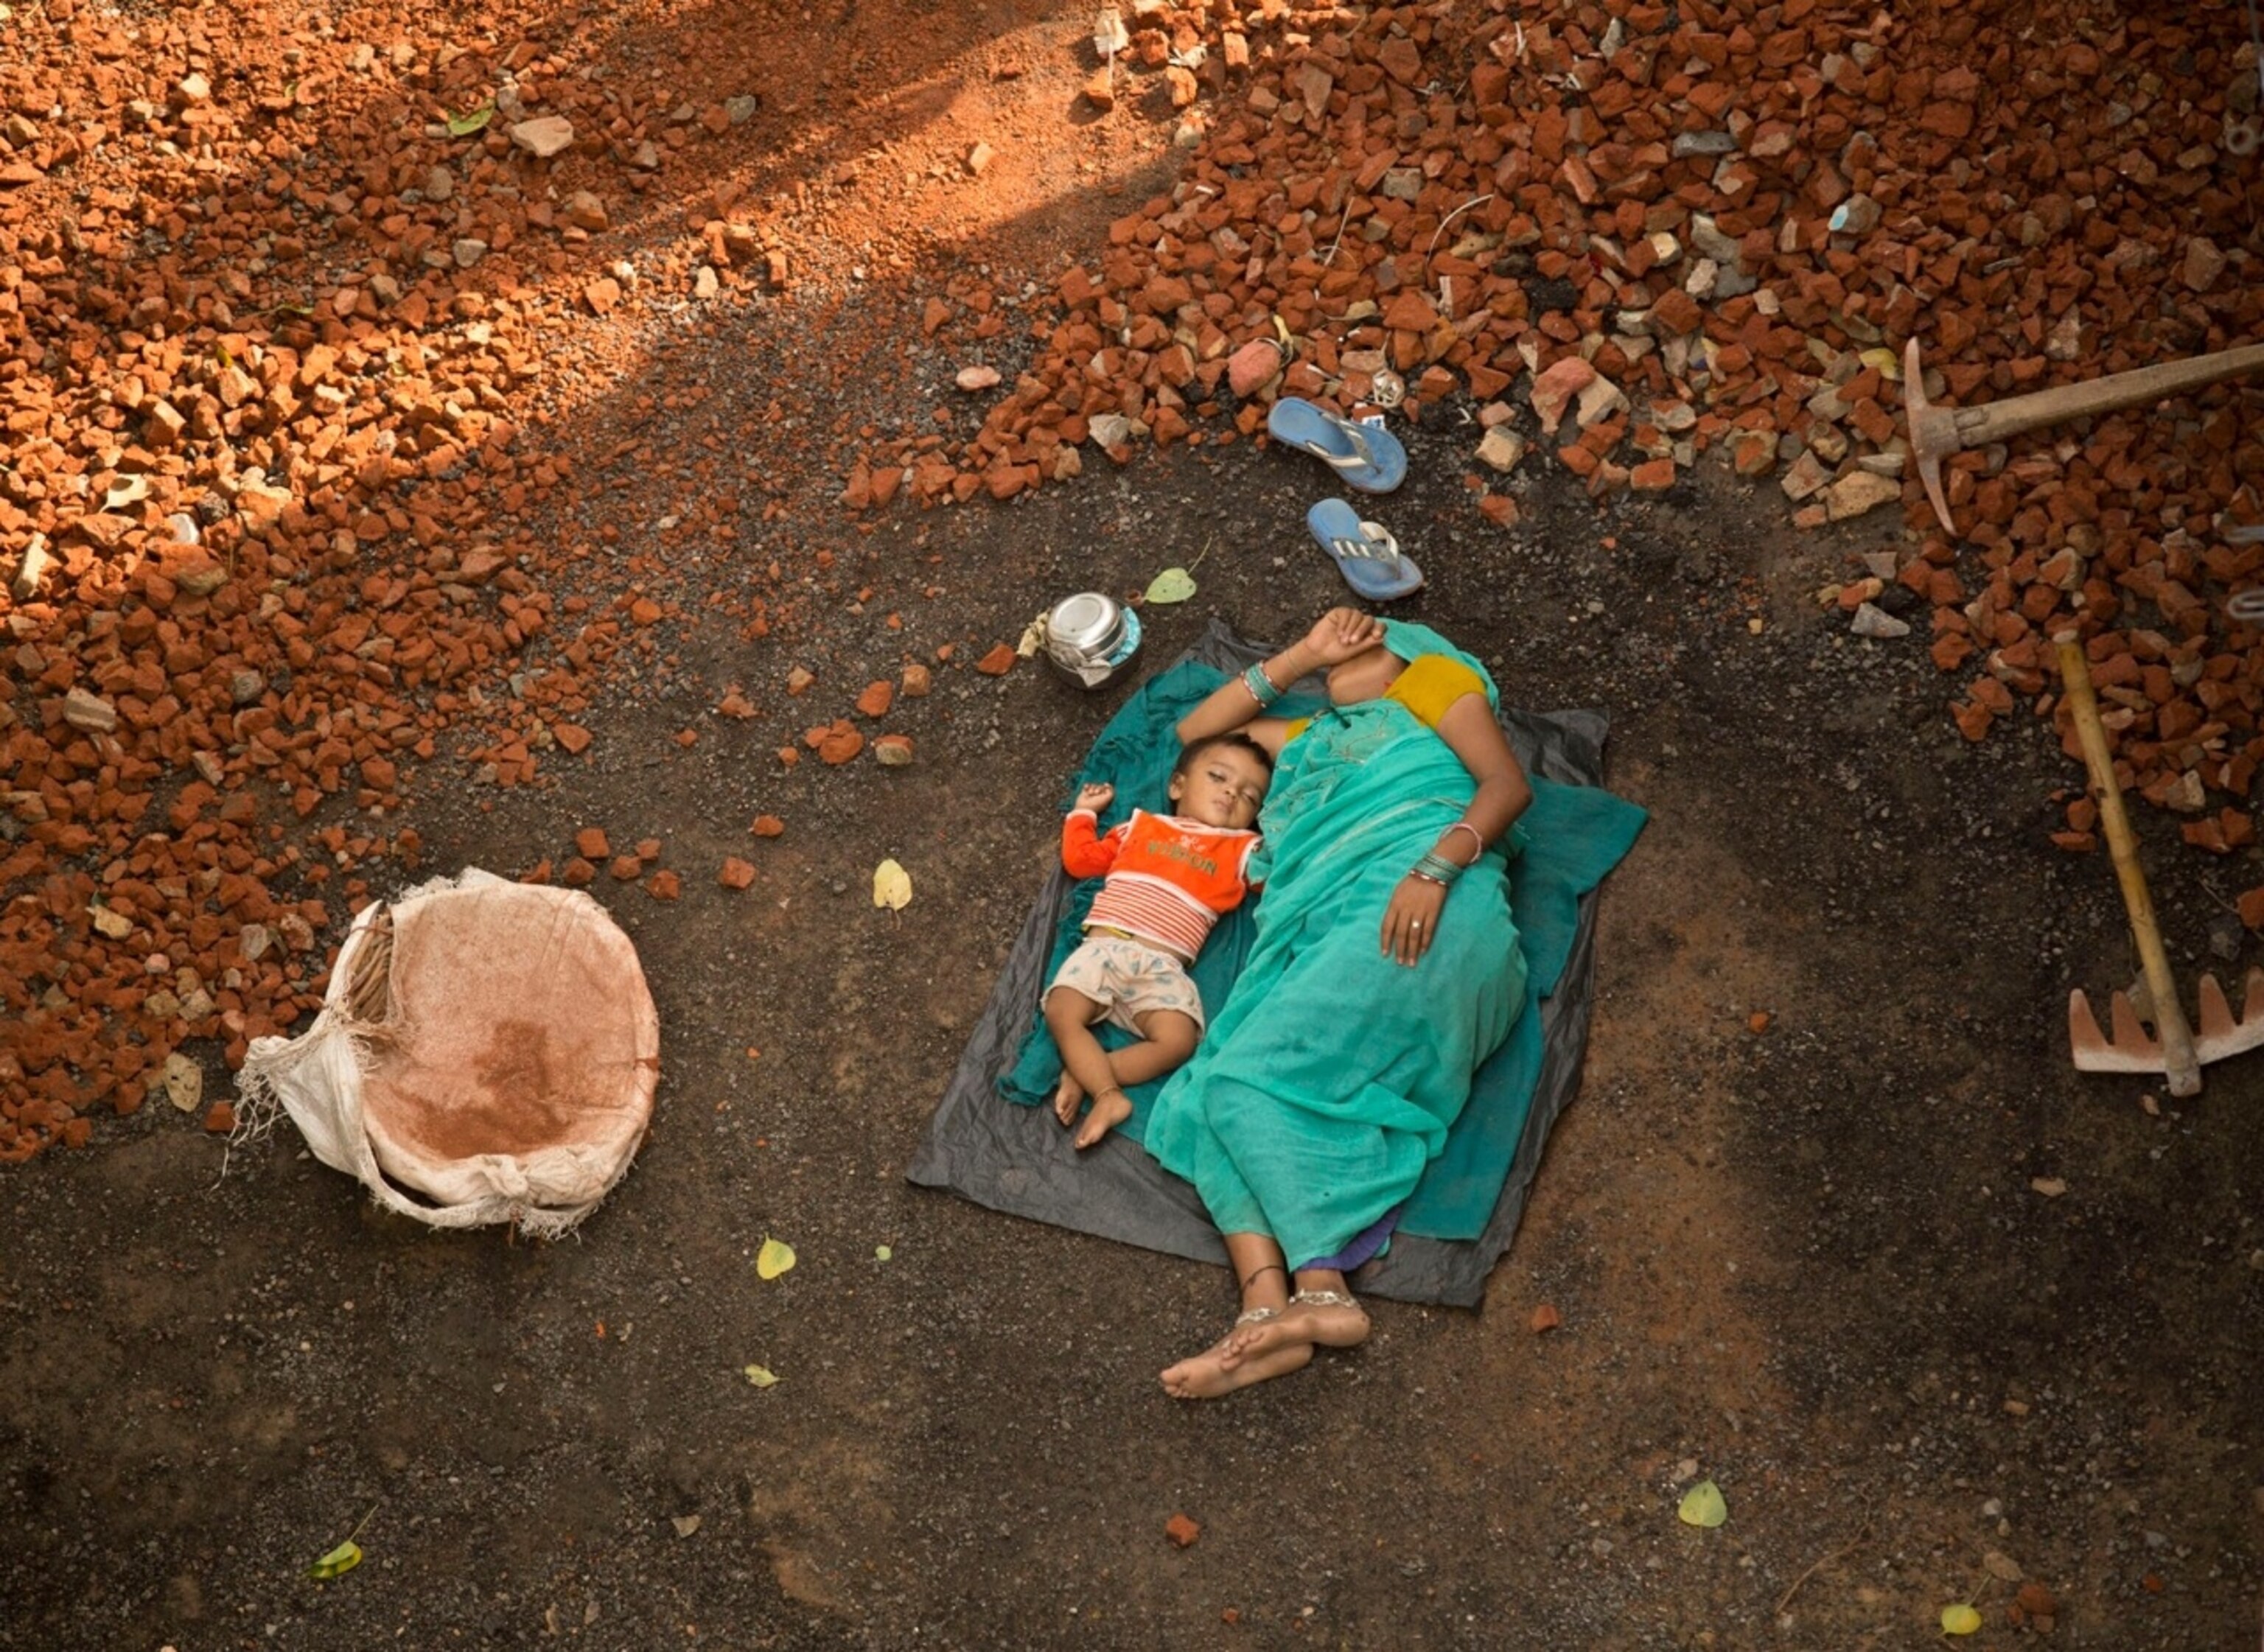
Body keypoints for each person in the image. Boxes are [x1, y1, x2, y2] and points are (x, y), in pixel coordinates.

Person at [1144, 608, 1534, 1399]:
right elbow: (1196, 731)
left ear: (1410, 658)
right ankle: (1283, 1305)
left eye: (1375, 637)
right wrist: (1301, 655)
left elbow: (1508, 785)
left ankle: (1315, 1290)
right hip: (1332, 917)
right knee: (1202, 1094)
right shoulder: (1314, 735)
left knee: (1236, 1083)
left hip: (1424, 900)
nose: (1356, 639)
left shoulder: (1432, 685)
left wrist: (1434, 868)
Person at [1043, 732, 1274, 1149]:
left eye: (1250, 796)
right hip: (1105, 949)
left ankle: (1086, 1071)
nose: (1231, 792)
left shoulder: (1243, 850)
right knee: (1061, 1009)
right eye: (1219, 777)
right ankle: (1109, 1096)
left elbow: (1281, 879)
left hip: (1163, 967)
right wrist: (1082, 813)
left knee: (1179, 1041)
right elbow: (1082, 860)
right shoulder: (1140, 826)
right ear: (1177, 785)